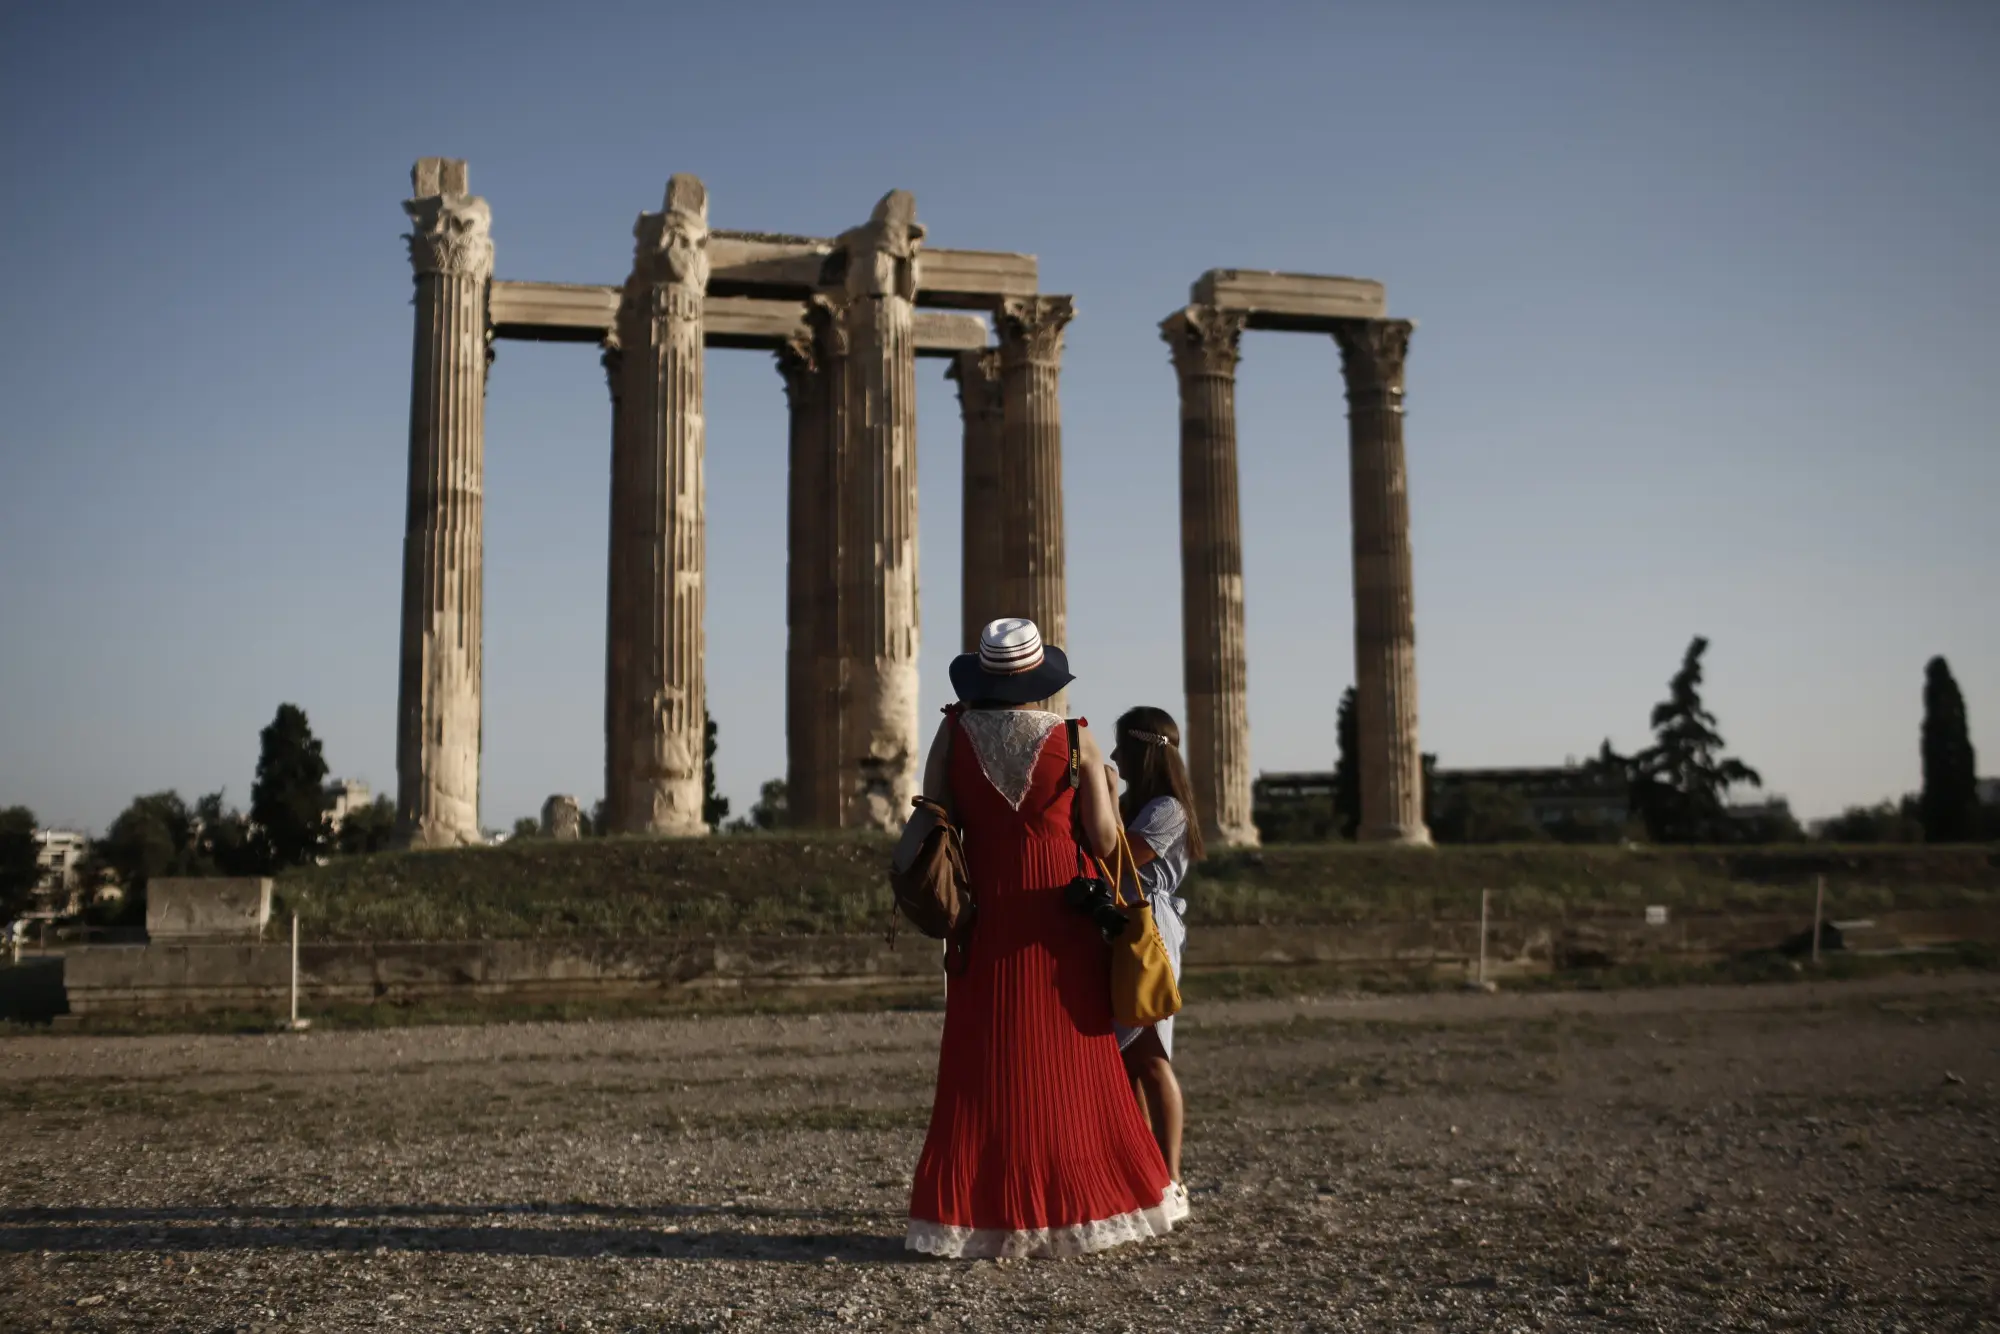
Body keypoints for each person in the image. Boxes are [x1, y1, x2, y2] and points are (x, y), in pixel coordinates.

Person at [904, 618, 1184, 1259]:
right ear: (1041, 679)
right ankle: (1083, 1199)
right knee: (1075, 1065)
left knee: (983, 1067)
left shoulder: (952, 732)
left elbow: (935, 812)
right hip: (1062, 920)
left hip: (985, 921)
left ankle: (980, 1211)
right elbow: (1109, 842)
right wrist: (1107, 797)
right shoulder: (1074, 738)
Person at [1107, 706, 1202, 1199]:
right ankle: (1141, 1170)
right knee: (1123, 1059)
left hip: (1149, 929)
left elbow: (1120, 854)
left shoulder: (1168, 808)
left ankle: (1170, 1177)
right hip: (1120, 924)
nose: (1114, 754)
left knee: (1149, 1054)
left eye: (1121, 745)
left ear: (1142, 751)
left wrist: (1097, 798)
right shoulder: (1131, 803)